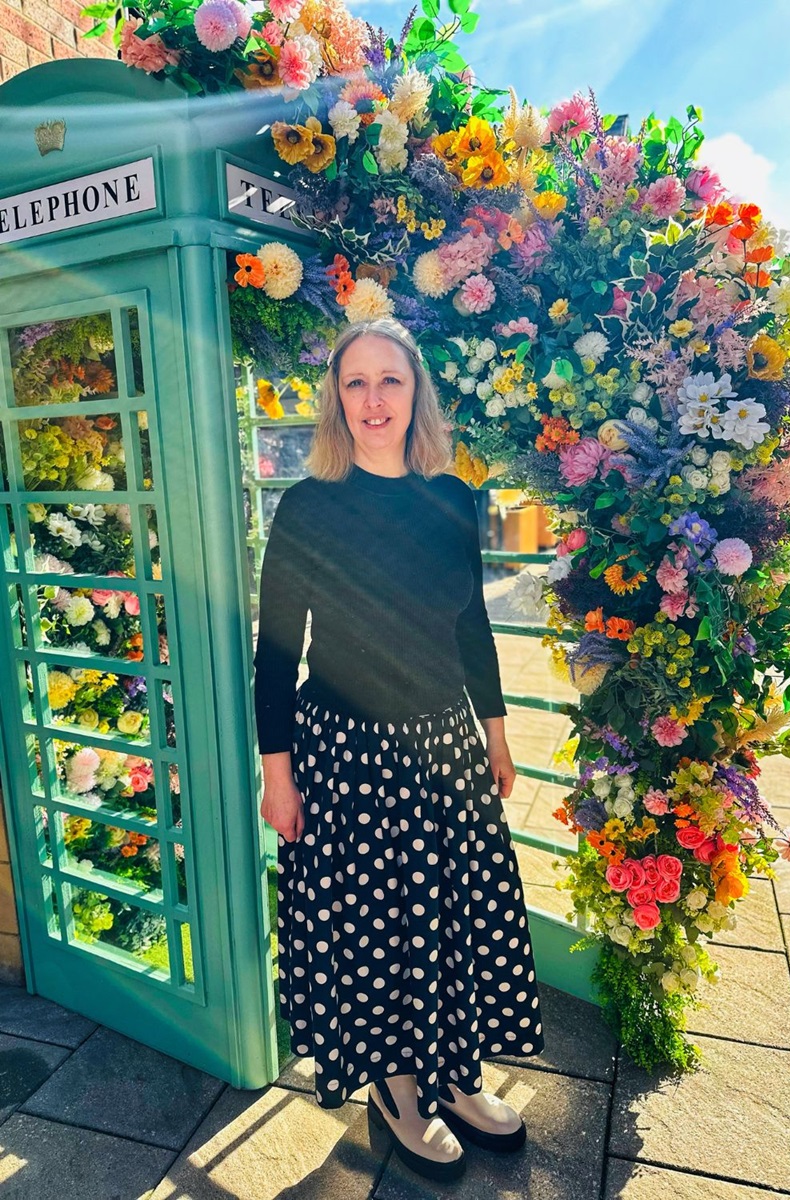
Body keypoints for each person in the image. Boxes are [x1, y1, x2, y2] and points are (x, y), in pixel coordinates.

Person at [254, 317, 545, 1182]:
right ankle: (396, 1085)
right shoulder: (307, 508)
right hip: (345, 756)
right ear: (336, 403)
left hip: (444, 745)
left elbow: (472, 621)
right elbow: (274, 654)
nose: (374, 399)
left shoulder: (455, 498)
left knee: (447, 920)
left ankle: (454, 1080)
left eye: (391, 380)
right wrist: (278, 775)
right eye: (356, 383)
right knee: (375, 929)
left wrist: (493, 729)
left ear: (416, 393)